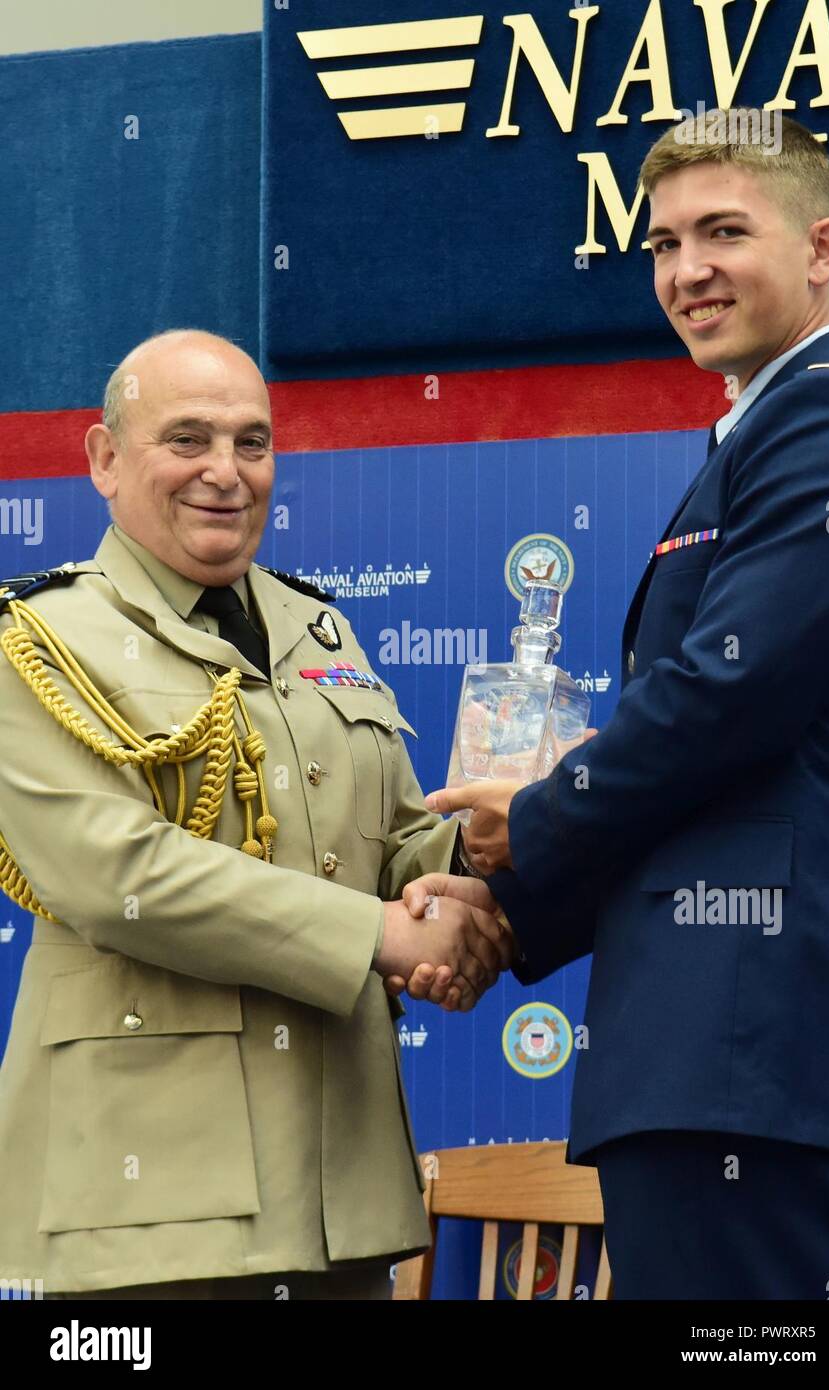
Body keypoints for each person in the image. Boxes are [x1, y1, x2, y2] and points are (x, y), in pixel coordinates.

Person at [399, 111, 829, 1299]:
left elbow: (723, 697)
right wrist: (512, 909)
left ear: (820, 246)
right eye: (661, 244)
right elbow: (709, 747)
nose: (685, 270)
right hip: (710, 1067)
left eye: (722, 232)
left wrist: (535, 828)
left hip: (746, 1063)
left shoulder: (826, 423)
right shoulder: (755, 431)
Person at [0, 329, 512, 1300]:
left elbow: (398, 844)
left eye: (252, 442)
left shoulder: (319, 626)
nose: (225, 473)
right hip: (154, 1210)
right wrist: (383, 935)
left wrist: (502, 850)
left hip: (342, 1196)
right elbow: (120, 878)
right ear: (105, 460)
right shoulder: (35, 642)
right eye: (186, 439)